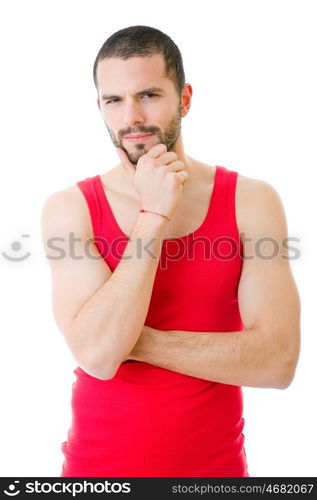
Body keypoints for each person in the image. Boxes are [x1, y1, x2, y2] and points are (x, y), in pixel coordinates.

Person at [41, 25, 301, 477]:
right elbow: (100, 358)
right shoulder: (70, 208)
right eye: (114, 100)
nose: (131, 117)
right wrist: (153, 217)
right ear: (100, 107)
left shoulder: (250, 200)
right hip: (96, 476)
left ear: (184, 99)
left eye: (149, 95)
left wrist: (131, 341)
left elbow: (277, 362)